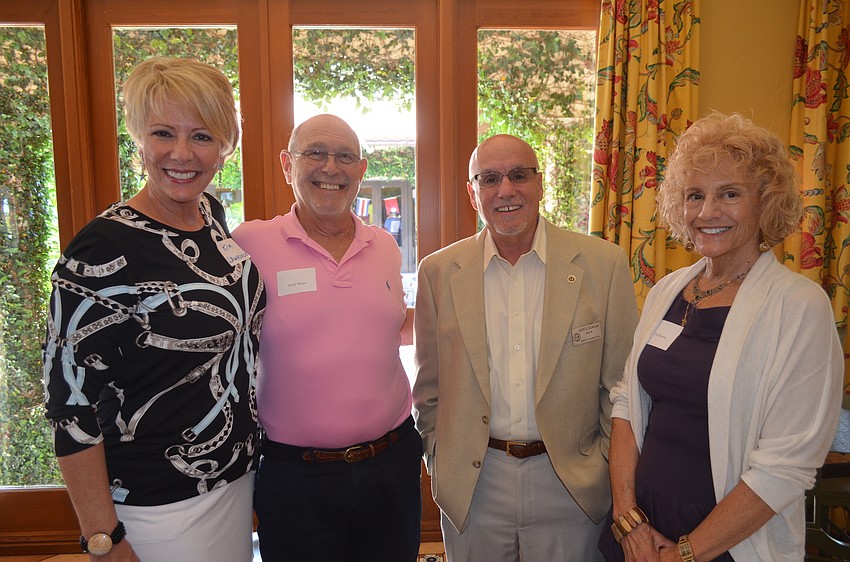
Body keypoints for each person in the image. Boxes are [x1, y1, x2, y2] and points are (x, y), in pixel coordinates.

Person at [42, 57, 265, 561]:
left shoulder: (210, 217)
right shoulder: (100, 250)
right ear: (138, 139)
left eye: (202, 136)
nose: (182, 154)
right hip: (155, 506)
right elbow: (69, 405)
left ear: (226, 145)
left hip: (232, 484)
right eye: (164, 133)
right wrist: (104, 539)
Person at [598, 112, 843, 562]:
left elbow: (786, 466)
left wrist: (684, 554)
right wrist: (628, 518)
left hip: (732, 542)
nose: (707, 212)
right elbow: (625, 404)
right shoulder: (668, 290)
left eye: (729, 194)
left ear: (766, 202)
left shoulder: (798, 307)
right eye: (695, 195)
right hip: (640, 530)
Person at [413, 133, 639, 562]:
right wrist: (440, 461)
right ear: (472, 192)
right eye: (490, 179)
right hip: (476, 485)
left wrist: (603, 469)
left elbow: (620, 388)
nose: (506, 190)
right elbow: (429, 387)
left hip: (571, 483)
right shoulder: (438, 272)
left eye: (519, 175)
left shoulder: (603, 264)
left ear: (540, 184)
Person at [232, 113, 421, 562]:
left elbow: (386, 329)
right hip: (297, 477)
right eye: (314, 153)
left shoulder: (385, 247)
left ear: (362, 169)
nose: (330, 168)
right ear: (287, 164)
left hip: (391, 464)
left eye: (344, 157)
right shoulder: (248, 244)